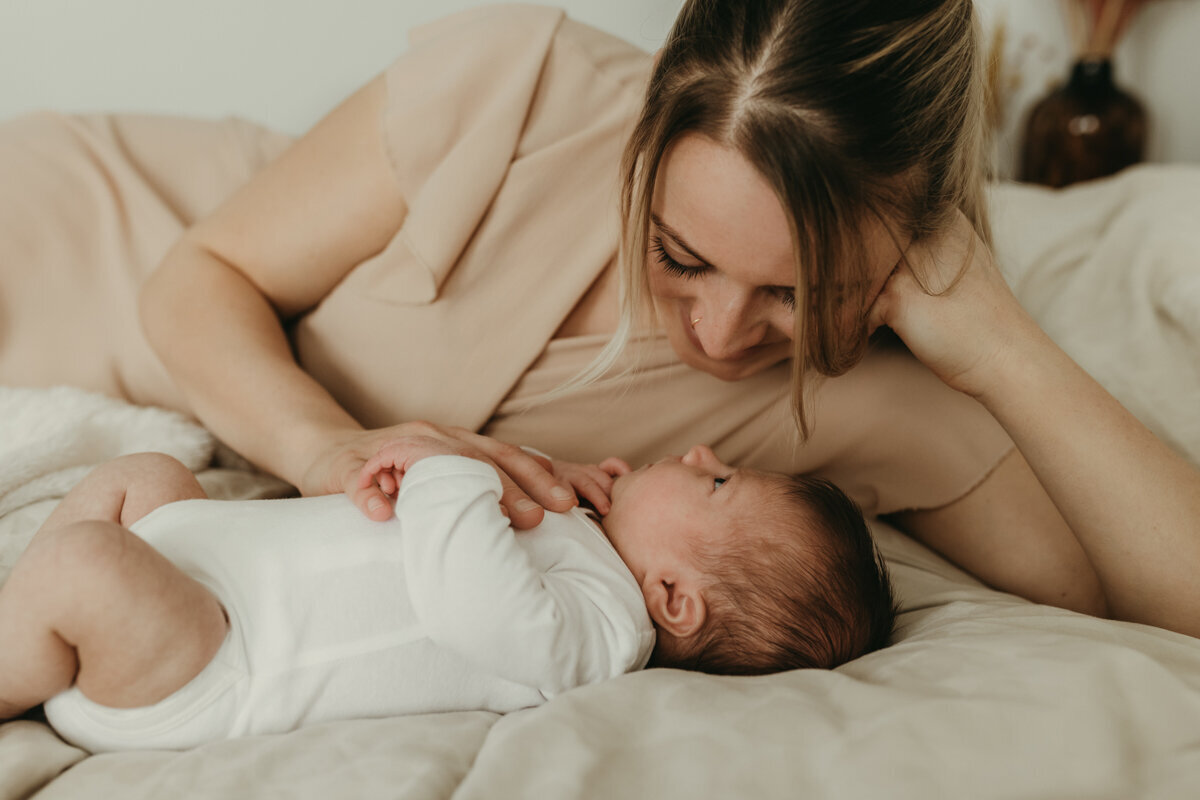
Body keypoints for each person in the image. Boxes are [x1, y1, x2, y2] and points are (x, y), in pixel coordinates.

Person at [1, 0, 1197, 637]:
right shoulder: (523, 82)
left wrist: (999, 338)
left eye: (799, 291)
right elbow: (193, 274)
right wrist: (326, 451)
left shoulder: (908, 392)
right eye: (680, 255)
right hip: (87, 229)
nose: (724, 335)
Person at [0, 440, 895, 752]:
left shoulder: (604, 633)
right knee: (145, 477)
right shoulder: (591, 545)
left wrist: (449, 472)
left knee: (87, 563)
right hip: (211, 568)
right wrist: (554, 483)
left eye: (719, 484)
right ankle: (19, 619)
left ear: (674, 599)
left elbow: (477, 601)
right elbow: (505, 519)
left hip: (211, 659)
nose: (699, 454)